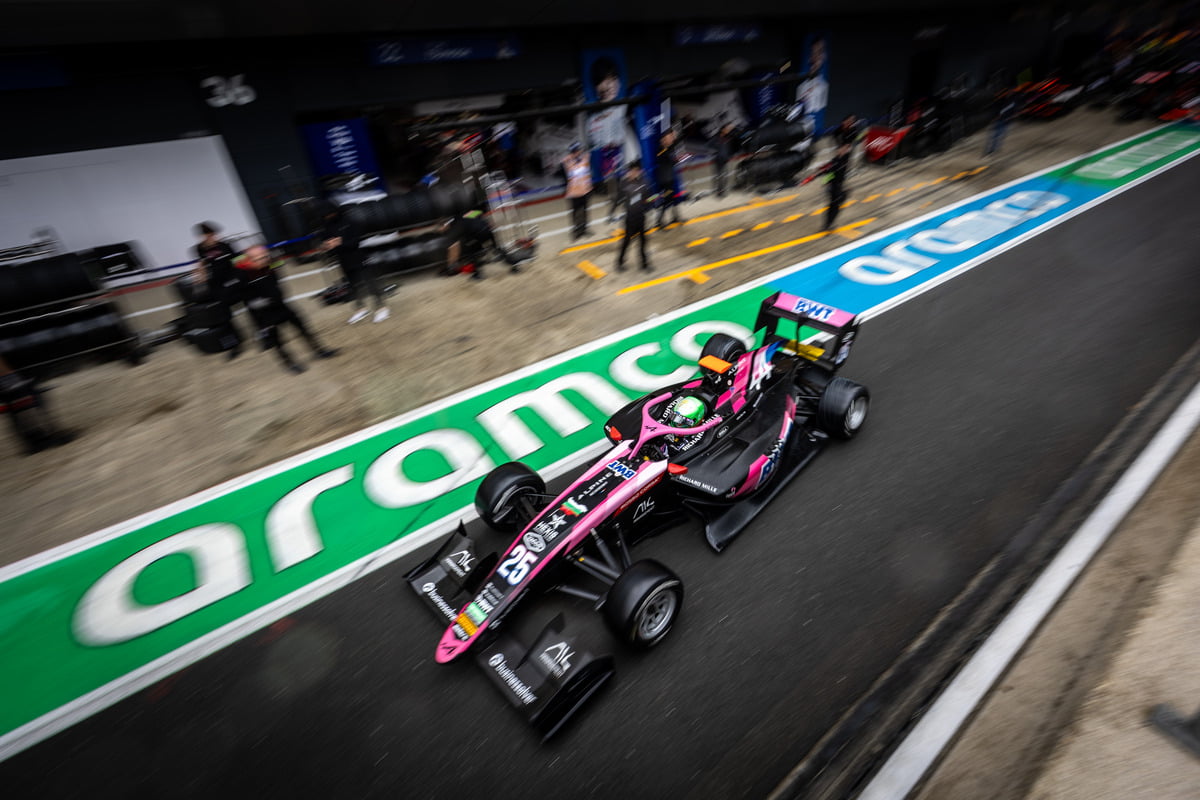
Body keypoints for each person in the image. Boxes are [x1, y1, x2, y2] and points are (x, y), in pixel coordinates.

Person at [233, 244, 339, 374]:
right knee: (277, 341)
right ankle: (289, 363)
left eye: (266, 256)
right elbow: (245, 298)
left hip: (280, 305)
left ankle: (319, 351)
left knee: (303, 327)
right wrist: (262, 305)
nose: (265, 260)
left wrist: (277, 293)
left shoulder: (269, 264)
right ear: (250, 260)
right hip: (264, 314)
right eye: (260, 258)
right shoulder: (242, 275)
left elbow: (276, 275)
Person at [319, 204, 388, 324]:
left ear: (335, 212)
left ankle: (381, 307)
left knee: (370, 282)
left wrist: (340, 242)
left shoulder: (350, 221)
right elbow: (325, 242)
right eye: (326, 216)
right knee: (353, 286)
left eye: (329, 214)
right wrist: (326, 245)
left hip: (358, 257)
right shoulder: (327, 225)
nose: (328, 217)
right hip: (343, 261)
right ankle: (361, 308)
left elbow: (356, 242)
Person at [191, 221, 245, 359]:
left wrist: (243, 276)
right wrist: (199, 275)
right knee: (224, 317)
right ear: (202, 236)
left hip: (233, 280)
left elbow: (238, 261)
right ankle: (235, 344)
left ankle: (265, 335)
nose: (213, 238)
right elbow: (202, 264)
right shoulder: (198, 249)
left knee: (250, 304)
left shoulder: (225, 245)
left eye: (214, 235)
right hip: (216, 286)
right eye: (209, 235)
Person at [0, 355, 74, 454]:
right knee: (25, 398)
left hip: (8, 380)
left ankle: (36, 437)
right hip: (8, 381)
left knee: (18, 403)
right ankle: (45, 434)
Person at [443, 209, 513, 281]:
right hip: (487, 230)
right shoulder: (469, 213)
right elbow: (480, 213)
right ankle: (514, 265)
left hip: (478, 233)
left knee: (472, 253)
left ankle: (478, 275)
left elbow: (448, 232)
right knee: (496, 249)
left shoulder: (455, 221)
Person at [614, 162, 652, 273]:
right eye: (631, 171)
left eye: (636, 171)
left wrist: (650, 204)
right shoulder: (623, 183)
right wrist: (611, 211)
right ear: (628, 172)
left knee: (643, 241)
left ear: (639, 171)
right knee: (627, 242)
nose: (633, 173)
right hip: (630, 218)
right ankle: (619, 262)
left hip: (641, 217)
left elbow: (648, 197)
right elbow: (618, 198)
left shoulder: (645, 182)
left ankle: (644, 264)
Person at [809, 142, 853, 231]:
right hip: (834, 187)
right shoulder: (836, 161)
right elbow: (828, 170)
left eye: (845, 149)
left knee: (834, 206)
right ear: (838, 150)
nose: (844, 150)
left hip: (837, 186)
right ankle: (827, 225)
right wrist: (819, 173)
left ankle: (828, 225)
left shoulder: (843, 160)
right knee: (834, 206)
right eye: (842, 149)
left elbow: (830, 170)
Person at [654, 129, 684, 229]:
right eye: (669, 137)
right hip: (665, 180)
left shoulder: (670, 148)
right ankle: (659, 221)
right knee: (666, 200)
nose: (671, 139)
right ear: (663, 140)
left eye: (672, 137)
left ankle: (675, 217)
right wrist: (676, 159)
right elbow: (667, 160)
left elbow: (673, 159)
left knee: (673, 198)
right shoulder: (660, 150)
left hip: (670, 178)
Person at [562, 143, 593, 240]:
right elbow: (565, 174)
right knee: (575, 213)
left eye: (579, 150)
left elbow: (588, 158)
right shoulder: (567, 161)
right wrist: (571, 159)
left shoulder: (585, 158)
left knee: (584, 211)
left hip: (585, 191)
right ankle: (576, 232)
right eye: (576, 151)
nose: (578, 152)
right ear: (572, 152)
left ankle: (584, 229)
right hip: (574, 192)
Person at [711, 122, 737, 198]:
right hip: (717, 159)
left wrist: (730, 155)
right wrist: (714, 152)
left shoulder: (728, 138)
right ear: (722, 129)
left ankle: (723, 190)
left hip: (725, 159)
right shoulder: (716, 137)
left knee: (725, 176)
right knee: (719, 176)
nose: (728, 130)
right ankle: (719, 191)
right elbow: (709, 146)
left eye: (728, 129)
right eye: (726, 129)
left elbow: (730, 148)